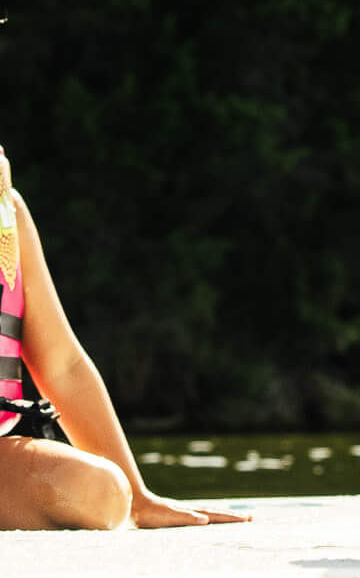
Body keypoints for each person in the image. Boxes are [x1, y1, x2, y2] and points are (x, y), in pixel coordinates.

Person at [0, 145, 247, 531]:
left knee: (101, 491)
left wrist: (138, 496)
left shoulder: (7, 211)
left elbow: (63, 365)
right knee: (101, 491)